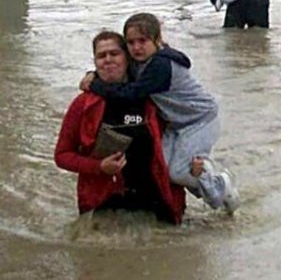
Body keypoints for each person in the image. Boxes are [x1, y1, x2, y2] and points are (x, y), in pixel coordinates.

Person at [80, 13, 240, 214]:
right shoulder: (140, 59)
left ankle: (218, 181)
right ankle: (208, 180)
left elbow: (131, 94)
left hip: (200, 119)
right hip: (177, 123)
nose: (136, 47)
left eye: (143, 41)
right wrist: (93, 73)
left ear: (157, 40)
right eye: (131, 42)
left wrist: (95, 85)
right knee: (163, 168)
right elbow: (114, 66)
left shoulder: (160, 66)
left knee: (178, 172)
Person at [55, 31, 185, 224]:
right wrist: (99, 166)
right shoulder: (82, 104)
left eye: (114, 53)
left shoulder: (154, 97)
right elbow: (62, 155)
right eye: (101, 55)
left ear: (127, 57)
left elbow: (184, 131)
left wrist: (194, 162)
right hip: (103, 203)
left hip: (157, 200)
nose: (108, 60)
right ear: (95, 62)